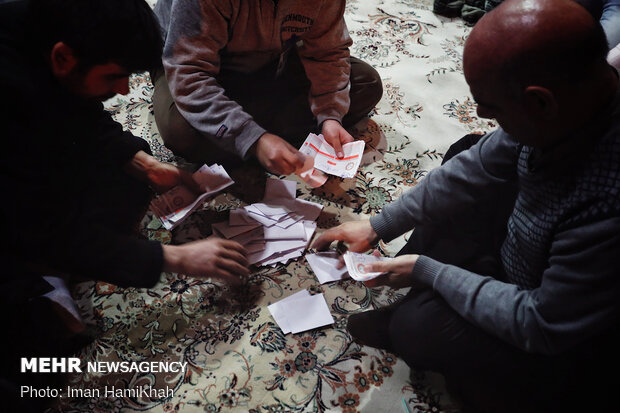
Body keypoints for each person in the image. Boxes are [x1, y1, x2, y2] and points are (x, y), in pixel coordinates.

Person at [313, 0, 620, 411]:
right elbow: (475, 168)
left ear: (540, 103)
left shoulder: (605, 204)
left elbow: (541, 322)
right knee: (467, 150)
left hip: (562, 331)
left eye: (489, 106)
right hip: (527, 249)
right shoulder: (579, 96)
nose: (477, 112)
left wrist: (429, 271)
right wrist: (377, 226)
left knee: (418, 328)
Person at [0, 0, 249, 408]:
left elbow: (78, 110)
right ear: (62, 56)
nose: (124, 90)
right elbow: (39, 226)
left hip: (24, 180)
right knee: (34, 371)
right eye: (115, 76)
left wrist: (140, 161)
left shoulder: (36, 32)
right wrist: (175, 259)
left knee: (128, 187)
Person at [152, 0, 383, 175]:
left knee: (366, 83)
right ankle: (255, 136)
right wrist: (253, 138)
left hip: (271, 56)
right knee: (180, 131)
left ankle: (247, 132)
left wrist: (330, 114)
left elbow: (329, 51)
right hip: (185, 58)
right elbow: (190, 74)